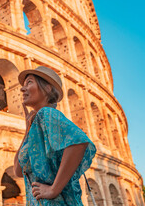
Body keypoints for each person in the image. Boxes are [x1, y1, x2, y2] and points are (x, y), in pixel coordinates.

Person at [13, 66, 96, 205]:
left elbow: (79, 142)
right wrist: (27, 129)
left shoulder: (47, 113)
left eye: (29, 83)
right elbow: (18, 170)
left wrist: (53, 190)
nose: (22, 88)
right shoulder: (37, 124)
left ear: (48, 88)